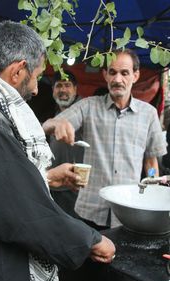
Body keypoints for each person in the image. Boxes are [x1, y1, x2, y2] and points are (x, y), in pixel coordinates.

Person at [0, 20, 116, 281]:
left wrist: (46, 177)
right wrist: (92, 241)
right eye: (36, 75)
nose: (37, 88)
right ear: (17, 71)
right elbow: (24, 214)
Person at [43, 48, 167, 231]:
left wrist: (152, 194)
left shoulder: (148, 113)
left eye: (124, 73)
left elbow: (151, 163)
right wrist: (56, 124)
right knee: (88, 259)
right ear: (105, 75)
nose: (118, 79)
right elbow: (47, 125)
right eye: (112, 72)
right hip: (89, 210)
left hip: (129, 211)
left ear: (136, 75)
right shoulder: (88, 106)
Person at [49, 70, 84, 217]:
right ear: (53, 90)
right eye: (59, 86)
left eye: (67, 85)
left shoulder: (84, 111)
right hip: (54, 184)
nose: (63, 90)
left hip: (74, 188)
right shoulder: (55, 114)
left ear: (75, 89)